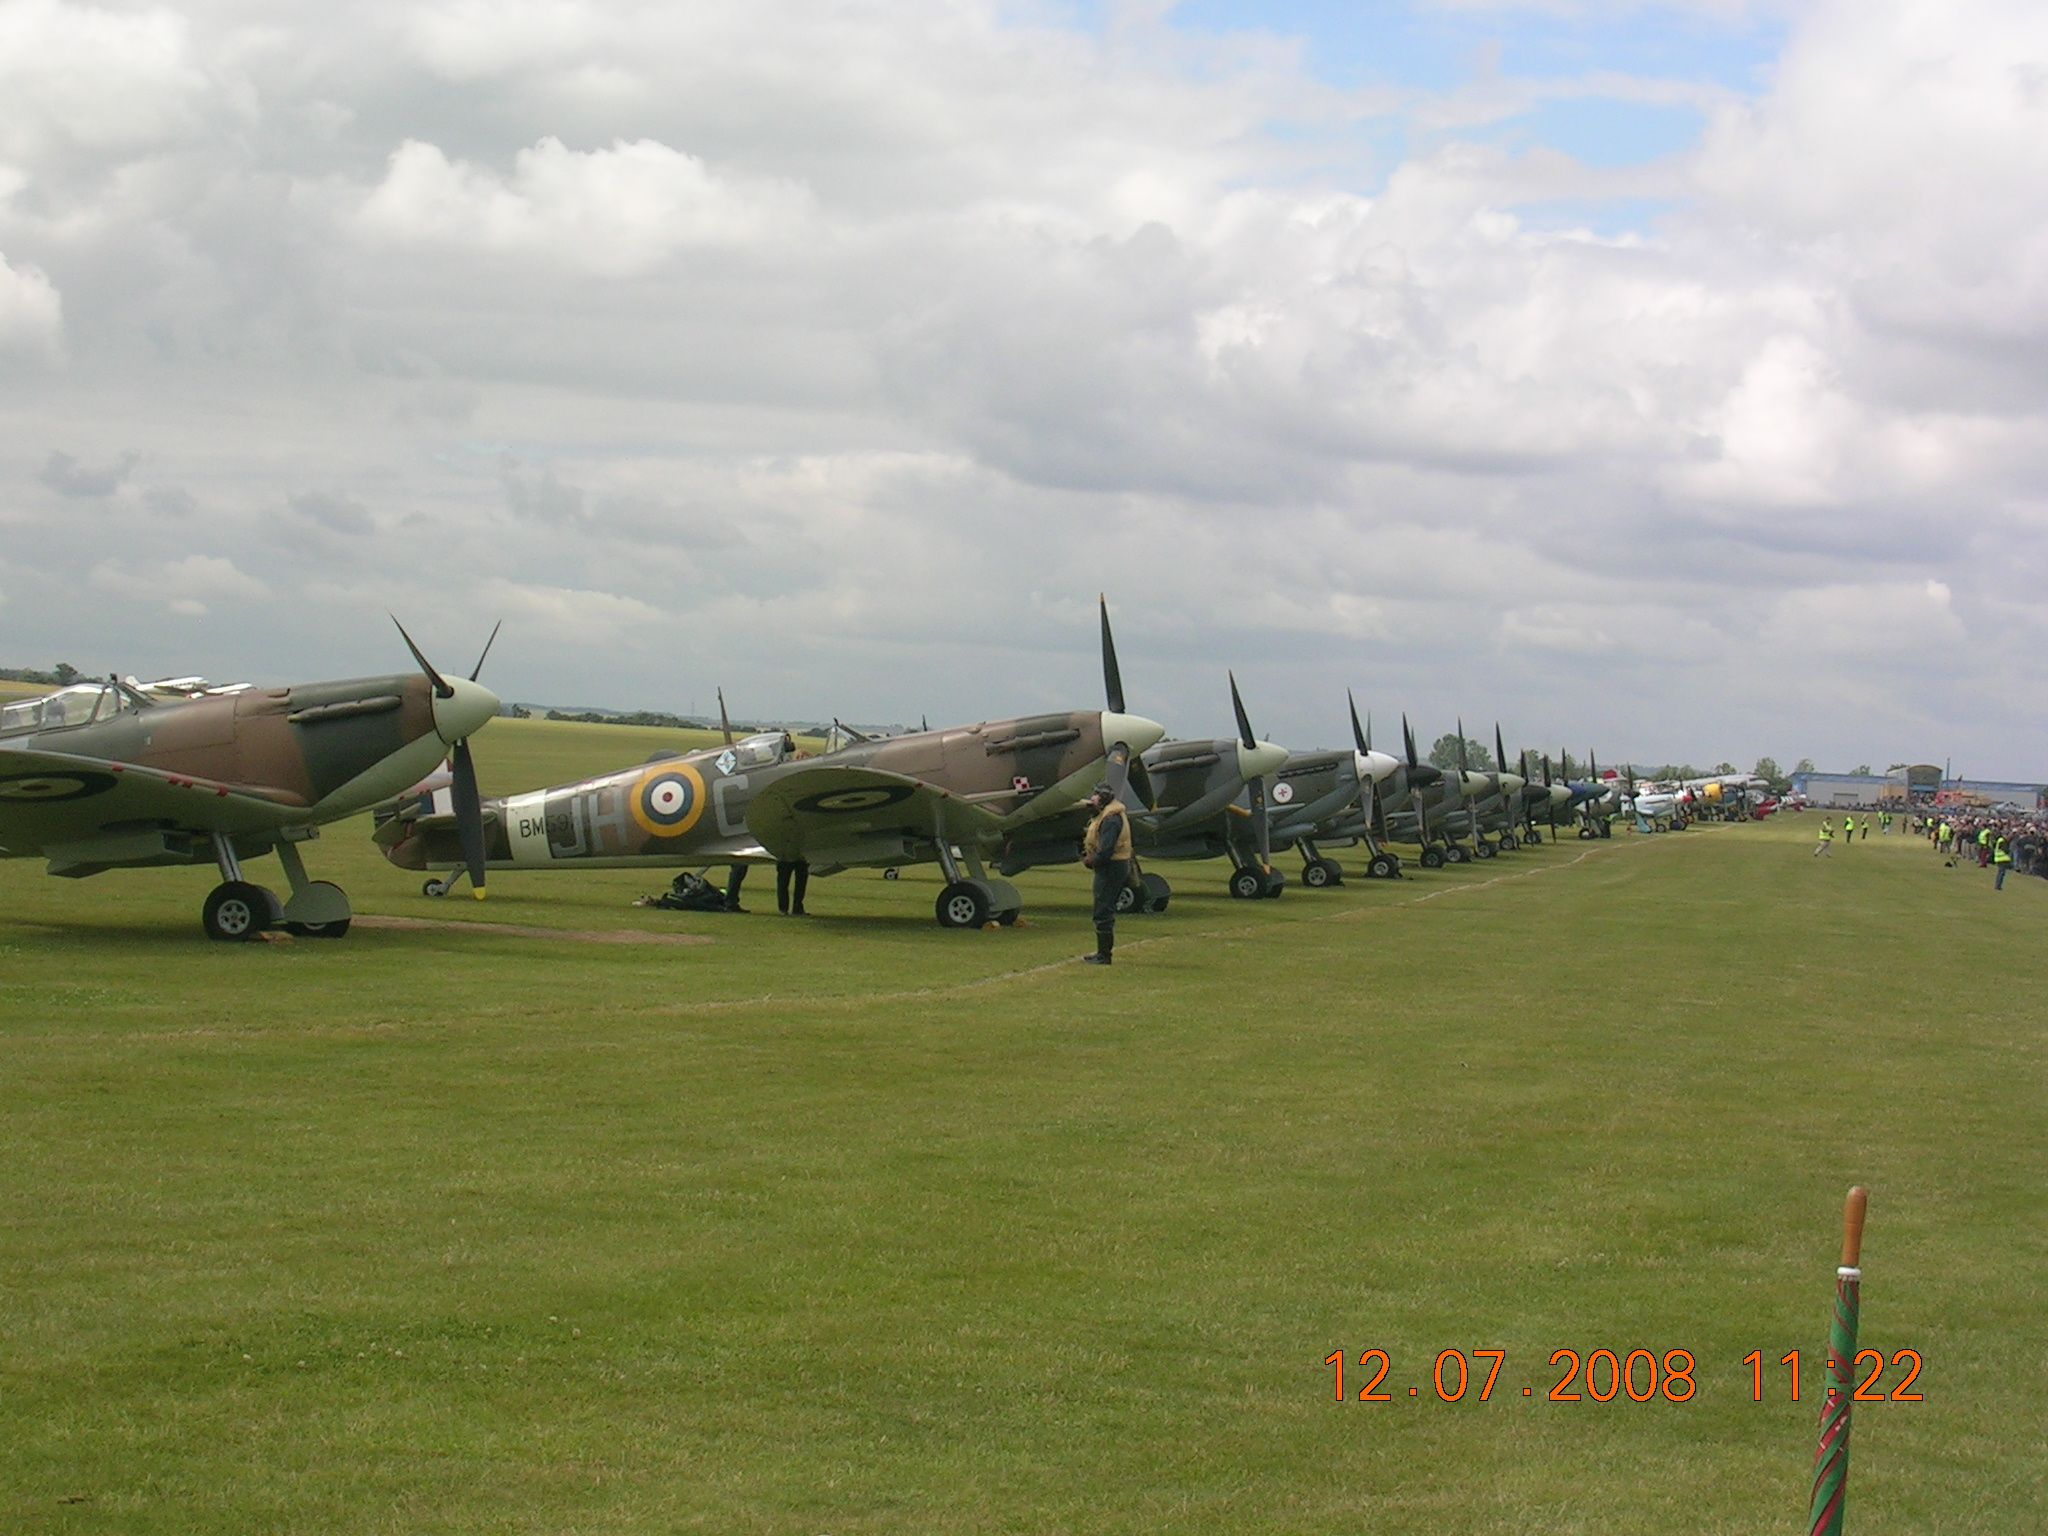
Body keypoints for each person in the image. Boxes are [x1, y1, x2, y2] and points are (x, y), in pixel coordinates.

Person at [1079, 779, 1132, 965]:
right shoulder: (1112, 815)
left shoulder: (1110, 820)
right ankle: (1103, 953)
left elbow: (1106, 851)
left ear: (1102, 799)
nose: (1091, 799)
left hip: (1110, 868)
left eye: (1095, 795)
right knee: (1103, 909)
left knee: (1102, 911)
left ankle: (1104, 955)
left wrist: (1091, 860)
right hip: (1115, 866)